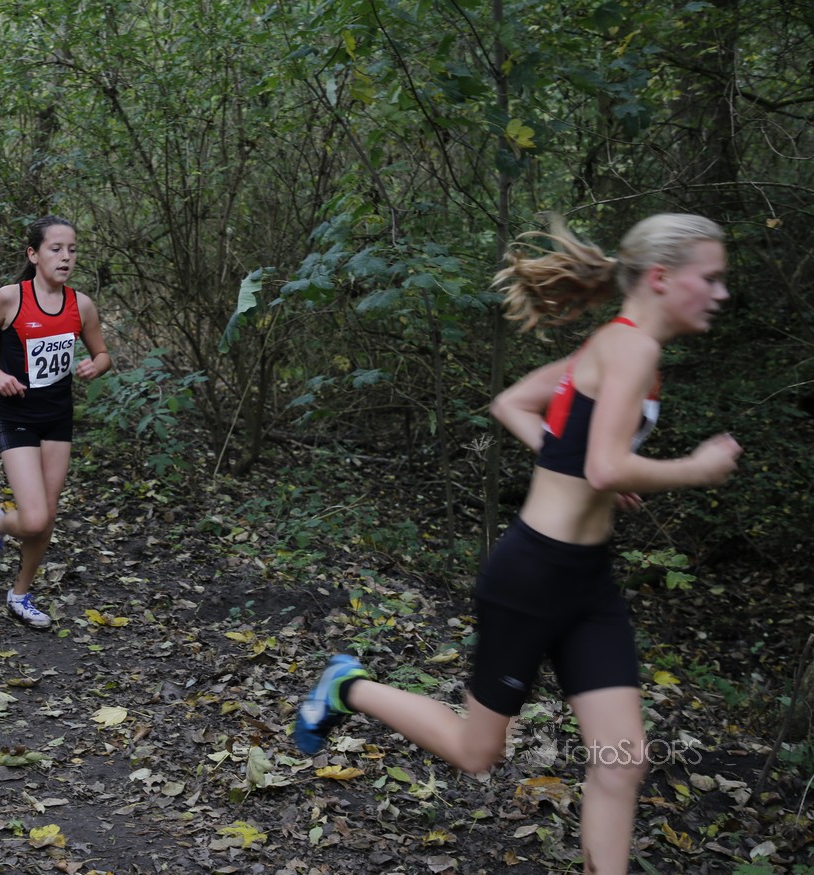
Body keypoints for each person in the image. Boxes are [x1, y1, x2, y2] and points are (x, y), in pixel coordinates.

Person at [293, 214, 741, 874]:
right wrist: (693, 468)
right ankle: (347, 685)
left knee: (621, 759)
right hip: (532, 576)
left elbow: (514, 405)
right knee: (478, 752)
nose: (721, 293)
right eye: (711, 278)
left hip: (586, 582)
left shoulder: (613, 346)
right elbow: (604, 467)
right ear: (660, 278)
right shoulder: (630, 349)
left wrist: (579, 464)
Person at [0, 216, 112, 627]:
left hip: (58, 420)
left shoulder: (81, 305)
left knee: (47, 516)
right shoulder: (11, 298)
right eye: (55, 249)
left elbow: (102, 354)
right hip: (18, 417)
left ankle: (20, 595)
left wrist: (95, 366)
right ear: (33, 254)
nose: (66, 257)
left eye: (72, 250)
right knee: (33, 518)